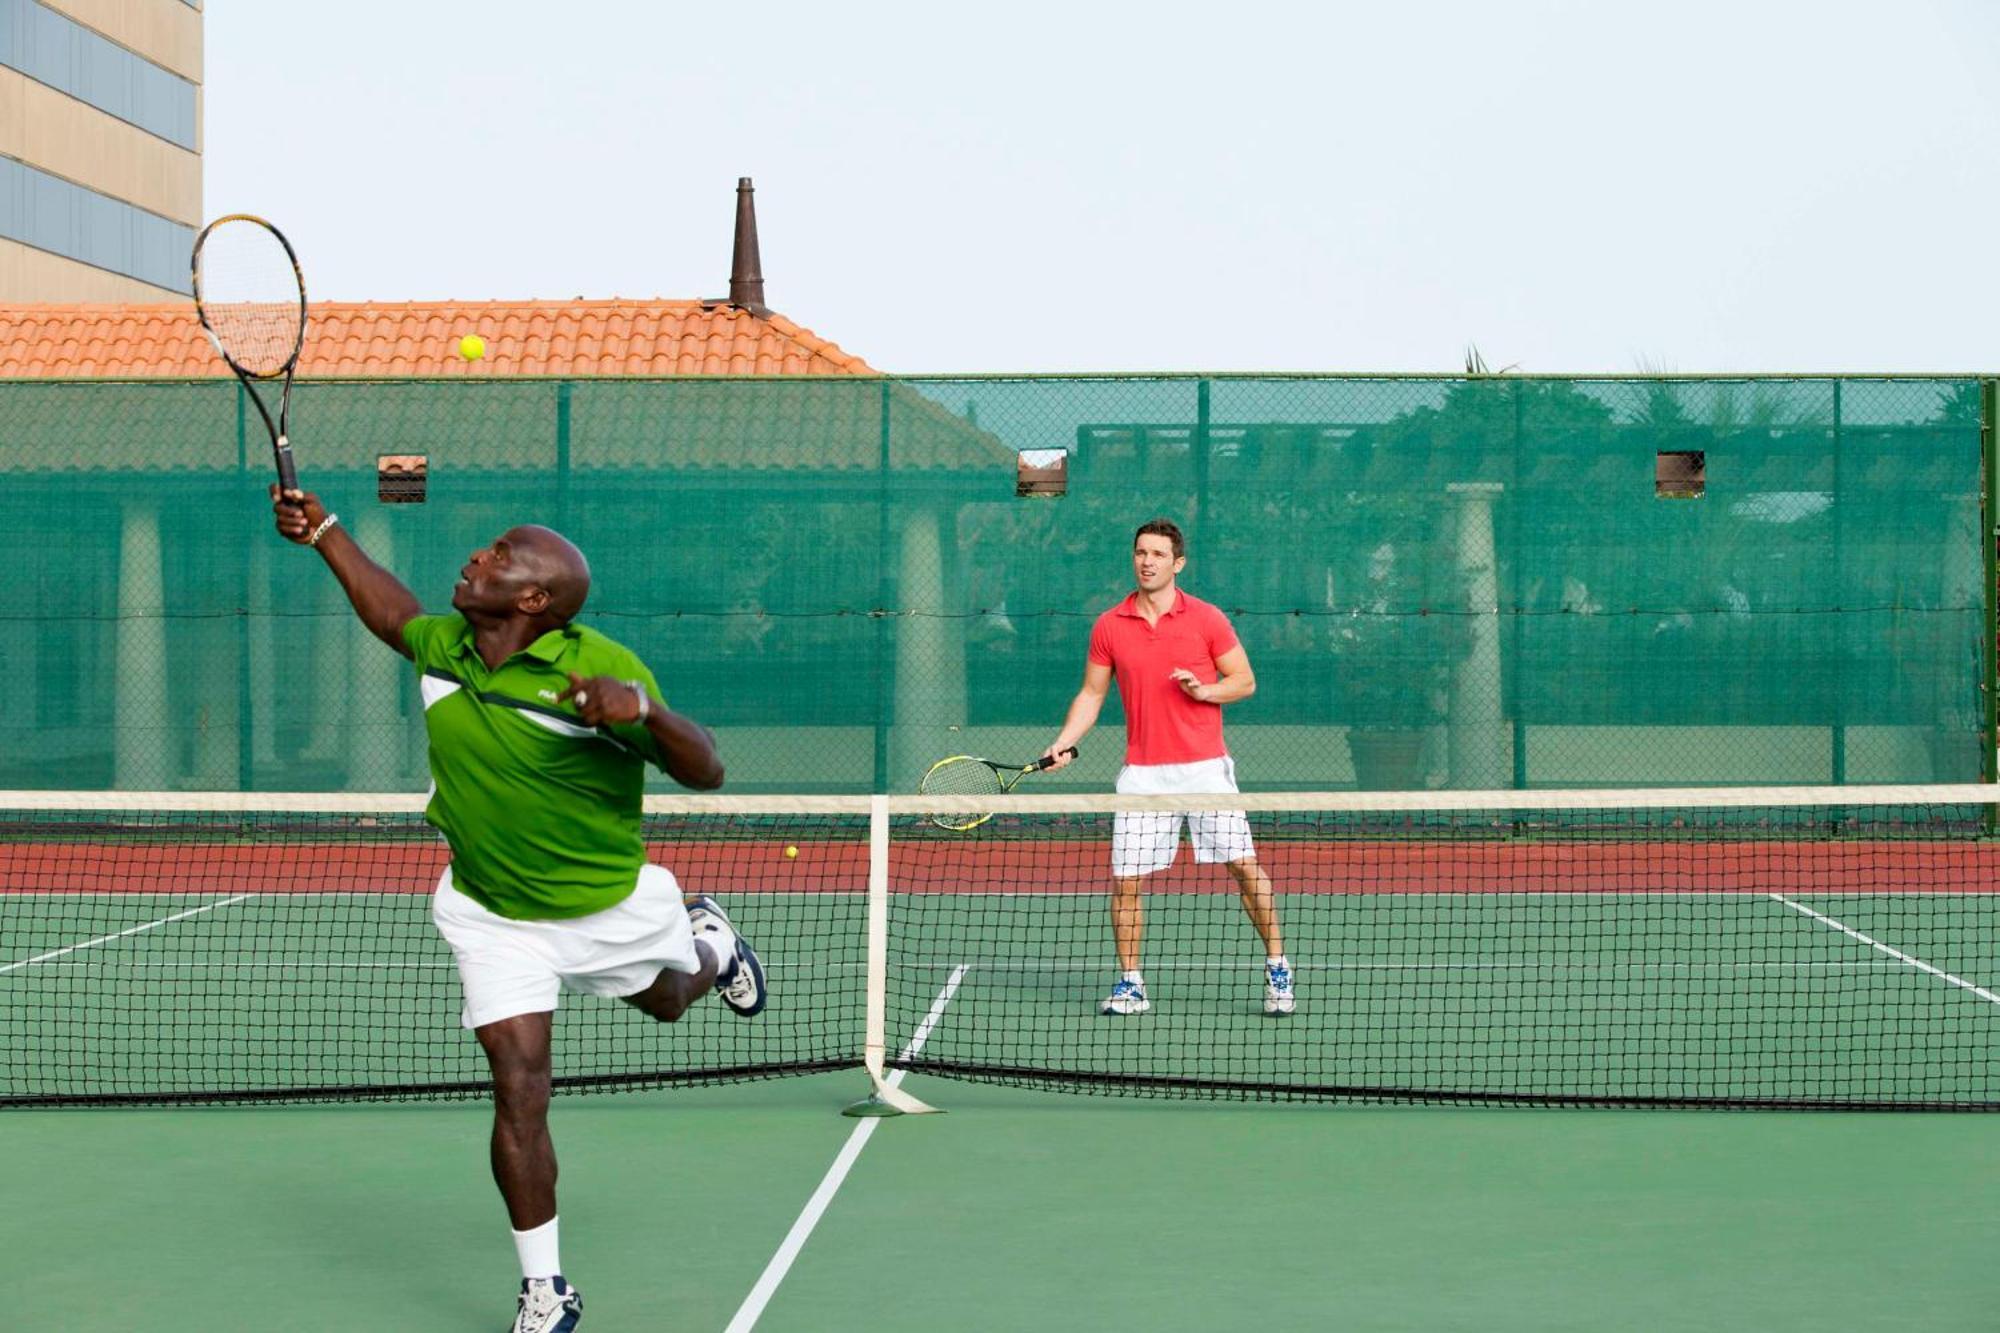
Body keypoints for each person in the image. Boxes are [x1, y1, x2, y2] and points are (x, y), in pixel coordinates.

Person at [272, 484, 764, 1333]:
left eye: (500, 555)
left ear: (534, 599)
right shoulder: (447, 648)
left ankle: (712, 945)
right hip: (491, 909)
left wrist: (642, 711)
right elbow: (394, 616)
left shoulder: (596, 667)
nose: (476, 556)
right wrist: (323, 531)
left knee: (668, 1001)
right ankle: (546, 1288)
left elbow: (707, 767)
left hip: (604, 903)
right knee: (518, 1085)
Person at [1043, 518, 1293, 1018]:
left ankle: (1278, 967)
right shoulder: (1110, 625)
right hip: (1143, 774)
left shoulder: (1207, 619)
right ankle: (1132, 982)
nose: (1147, 561)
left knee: (1244, 868)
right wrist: (1064, 742)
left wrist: (1205, 691)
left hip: (1205, 769)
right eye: (1140, 552)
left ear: (1177, 563)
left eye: (1157, 554)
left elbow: (1244, 681)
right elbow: (1092, 694)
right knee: (1126, 881)